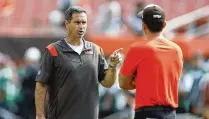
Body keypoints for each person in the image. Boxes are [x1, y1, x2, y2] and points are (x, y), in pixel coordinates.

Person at [35, 6, 122, 119]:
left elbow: (107, 83)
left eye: (84, 22)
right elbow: (41, 85)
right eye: (77, 22)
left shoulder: (96, 50)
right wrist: (40, 115)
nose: (81, 26)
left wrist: (113, 66)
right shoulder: (53, 50)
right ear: (67, 24)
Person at [118, 4, 184, 119]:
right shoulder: (177, 50)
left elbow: (123, 83)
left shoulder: (137, 49)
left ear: (143, 26)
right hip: (170, 114)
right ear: (164, 25)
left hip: (146, 113)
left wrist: (139, 82)